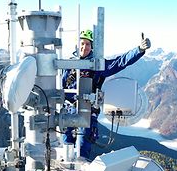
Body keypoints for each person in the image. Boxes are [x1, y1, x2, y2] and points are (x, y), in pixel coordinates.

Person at [62, 29, 151, 161]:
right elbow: (60, 86)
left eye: (88, 44)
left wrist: (139, 50)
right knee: (66, 150)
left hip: (87, 111)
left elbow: (120, 62)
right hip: (68, 111)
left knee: (82, 150)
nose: (84, 47)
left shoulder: (97, 65)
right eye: (82, 43)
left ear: (92, 47)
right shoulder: (68, 65)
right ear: (77, 45)